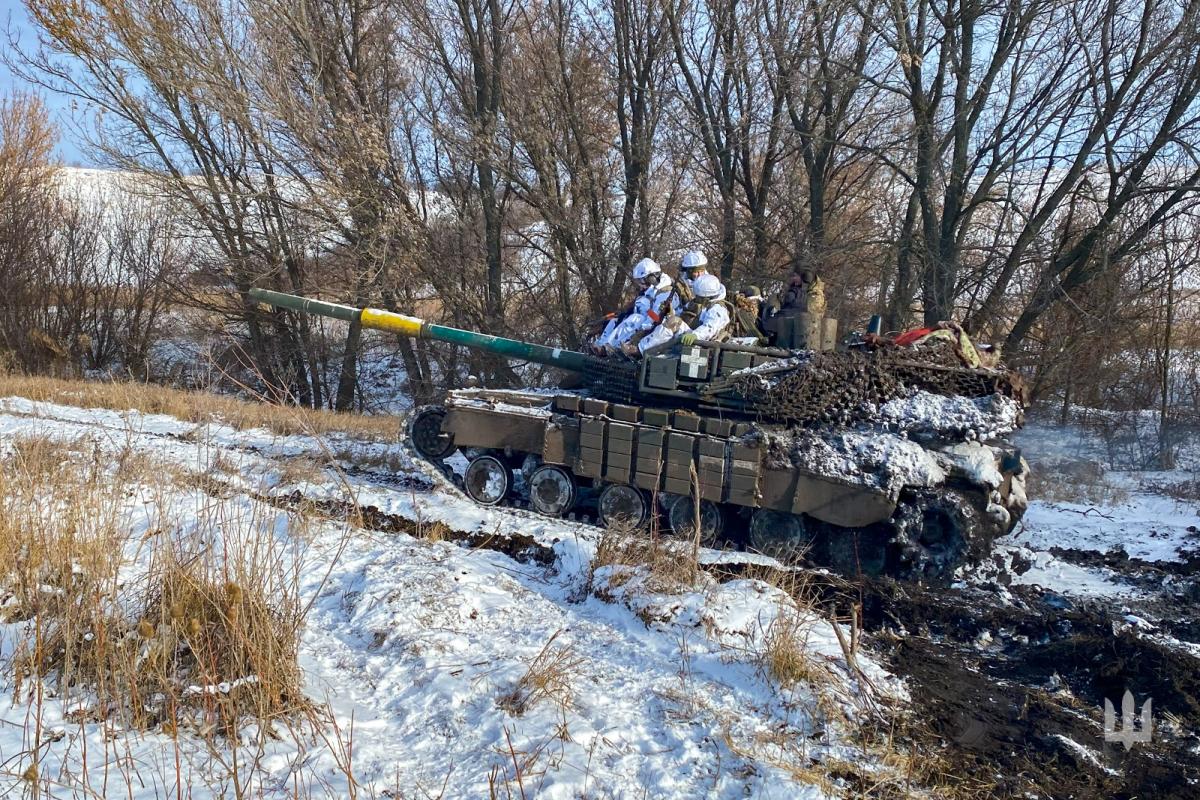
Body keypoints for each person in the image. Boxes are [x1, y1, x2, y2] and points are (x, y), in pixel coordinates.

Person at [593, 257, 676, 350]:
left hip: (654, 328)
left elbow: (657, 318)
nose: (641, 284)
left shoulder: (665, 293)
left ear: (652, 278)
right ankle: (601, 344)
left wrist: (647, 312)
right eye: (639, 281)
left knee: (635, 319)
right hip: (642, 323)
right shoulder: (648, 292)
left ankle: (612, 347)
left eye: (642, 281)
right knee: (614, 320)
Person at [637, 273, 731, 354]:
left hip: (704, 344)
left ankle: (639, 350)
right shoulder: (700, 304)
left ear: (706, 298)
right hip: (693, 338)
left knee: (674, 322)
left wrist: (696, 335)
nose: (696, 299)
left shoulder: (718, 309)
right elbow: (681, 315)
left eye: (699, 297)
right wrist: (669, 312)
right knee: (672, 321)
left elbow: (710, 327)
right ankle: (643, 348)